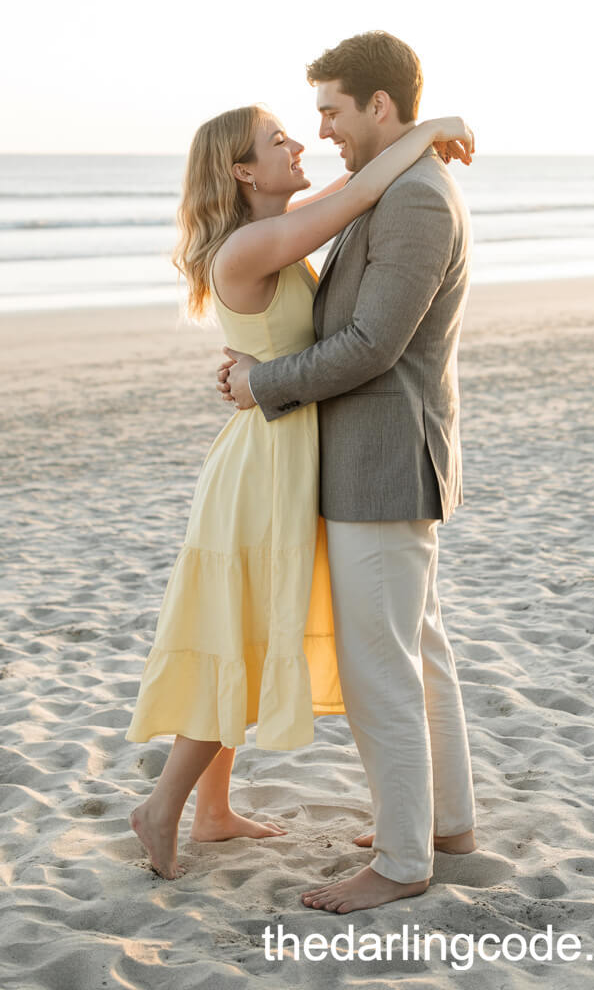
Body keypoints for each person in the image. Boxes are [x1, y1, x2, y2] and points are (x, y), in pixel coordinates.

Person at [125, 98, 474, 880]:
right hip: (262, 466)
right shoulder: (253, 244)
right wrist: (428, 131)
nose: (298, 142)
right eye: (276, 139)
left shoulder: (277, 228)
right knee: (236, 638)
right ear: (243, 171)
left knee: (239, 633)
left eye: (302, 126)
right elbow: (357, 194)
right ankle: (162, 809)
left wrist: (415, 143)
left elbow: (356, 190)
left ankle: (212, 813)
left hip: (282, 451)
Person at [218, 31, 477, 914]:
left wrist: (261, 384)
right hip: (389, 461)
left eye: (331, 110)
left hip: (383, 465)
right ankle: (446, 825)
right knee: (420, 654)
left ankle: (406, 862)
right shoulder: (396, 185)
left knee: (381, 668)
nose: (321, 128)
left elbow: (369, 348)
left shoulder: (414, 202)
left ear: (378, 106)